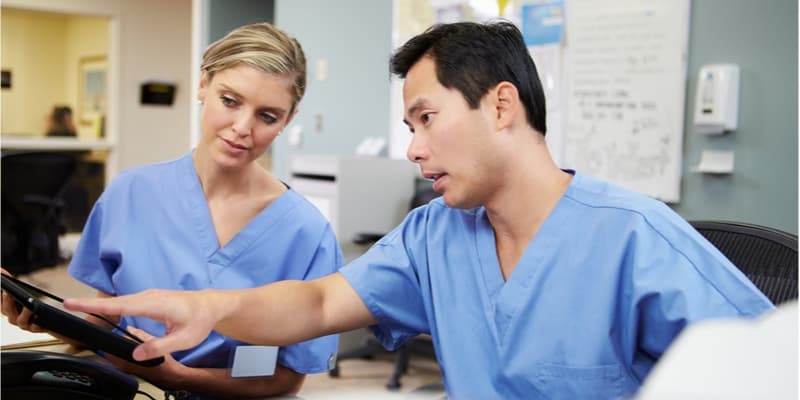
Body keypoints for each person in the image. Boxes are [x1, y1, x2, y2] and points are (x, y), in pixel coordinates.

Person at [63, 21, 775, 399]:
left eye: (426, 118)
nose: (414, 148)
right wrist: (214, 309)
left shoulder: (635, 240)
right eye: (409, 127)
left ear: (501, 104)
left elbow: (771, 374)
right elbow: (314, 306)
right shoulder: (436, 234)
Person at [3, 22, 341, 399]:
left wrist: (177, 376)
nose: (242, 128)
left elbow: (286, 379)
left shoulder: (307, 233)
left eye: (268, 116)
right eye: (230, 101)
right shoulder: (131, 193)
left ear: (289, 119)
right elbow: (107, 322)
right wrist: (44, 320)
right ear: (202, 86)